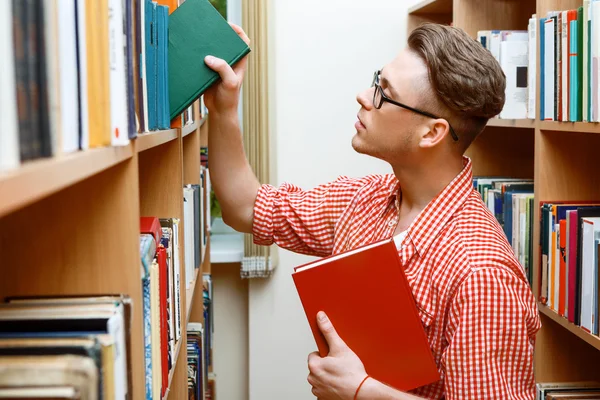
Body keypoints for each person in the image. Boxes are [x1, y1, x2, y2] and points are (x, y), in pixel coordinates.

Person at [204, 22, 541, 400]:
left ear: (432, 133)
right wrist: (224, 108)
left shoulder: (483, 273)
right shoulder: (366, 199)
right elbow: (245, 206)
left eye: (384, 93)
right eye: (375, 80)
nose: (364, 96)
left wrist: (360, 391)